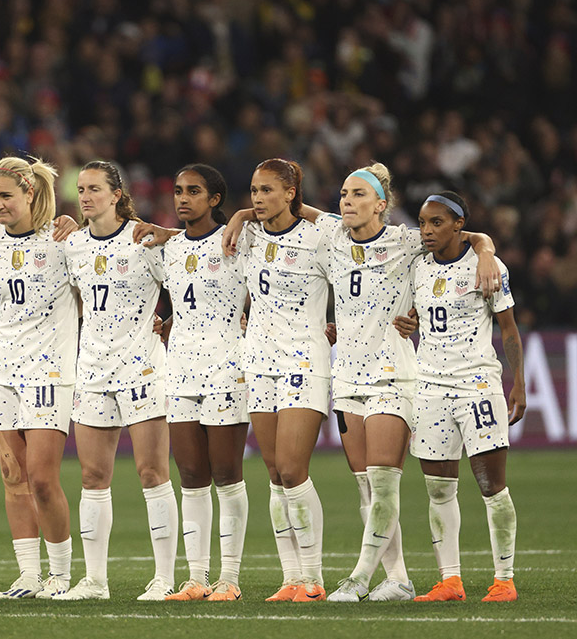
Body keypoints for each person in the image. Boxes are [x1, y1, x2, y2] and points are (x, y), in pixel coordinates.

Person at [222, 163, 499, 602]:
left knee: (384, 480)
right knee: (366, 488)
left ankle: (359, 576)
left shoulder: (407, 240)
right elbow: (297, 210)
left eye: (357, 195)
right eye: (343, 195)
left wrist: (485, 250)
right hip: (347, 375)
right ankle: (400, 578)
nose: (346, 201)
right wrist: (242, 215)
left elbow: (466, 236)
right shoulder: (332, 236)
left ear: (381, 204)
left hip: (393, 373)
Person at [55, 161, 179, 602]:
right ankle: (94, 581)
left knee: (151, 472)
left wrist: (170, 321)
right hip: (91, 369)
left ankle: (164, 577)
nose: (85, 196)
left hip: (142, 367)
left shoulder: (145, 239)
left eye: (94, 189)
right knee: (92, 476)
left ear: (116, 194)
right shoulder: (71, 246)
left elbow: (186, 285)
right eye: (81, 189)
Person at [408, 191, 525, 603]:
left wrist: (519, 383)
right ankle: (450, 581)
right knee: (438, 489)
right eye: (423, 222)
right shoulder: (417, 267)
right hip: (429, 387)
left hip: (477, 384)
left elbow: (508, 329)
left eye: (436, 222)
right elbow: (417, 315)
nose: (426, 231)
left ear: (459, 225)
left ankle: (504, 579)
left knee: (493, 486)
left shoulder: (486, 266)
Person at [0, 156, 79, 599]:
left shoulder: (63, 242)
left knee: (41, 477)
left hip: (49, 369)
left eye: (6, 196)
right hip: (0, 367)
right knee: (11, 474)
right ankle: (28, 575)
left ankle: (59, 575)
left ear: (30, 194)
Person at [234, 159, 331, 602]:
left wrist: (482, 246)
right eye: (253, 190)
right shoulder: (249, 235)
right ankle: (291, 578)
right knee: (274, 473)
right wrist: (237, 217)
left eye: (268, 190)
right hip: (258, 362)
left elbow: (365, 258)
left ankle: (314, 578)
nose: (257, 198)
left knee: (294, 469)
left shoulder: (319, 235)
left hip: (303, 361)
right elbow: (188, 241)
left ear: (291, 193)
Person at [155, 164, 249, 602]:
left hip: (227, 365)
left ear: (215, 199)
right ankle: (196, 578)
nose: (182, 198)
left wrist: (244, 215)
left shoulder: (238, 240)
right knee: (191, 475)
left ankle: (229, 578)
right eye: (177, 191)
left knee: (227, 474)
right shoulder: (171, 249)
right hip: (181, 368)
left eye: (193, 191)